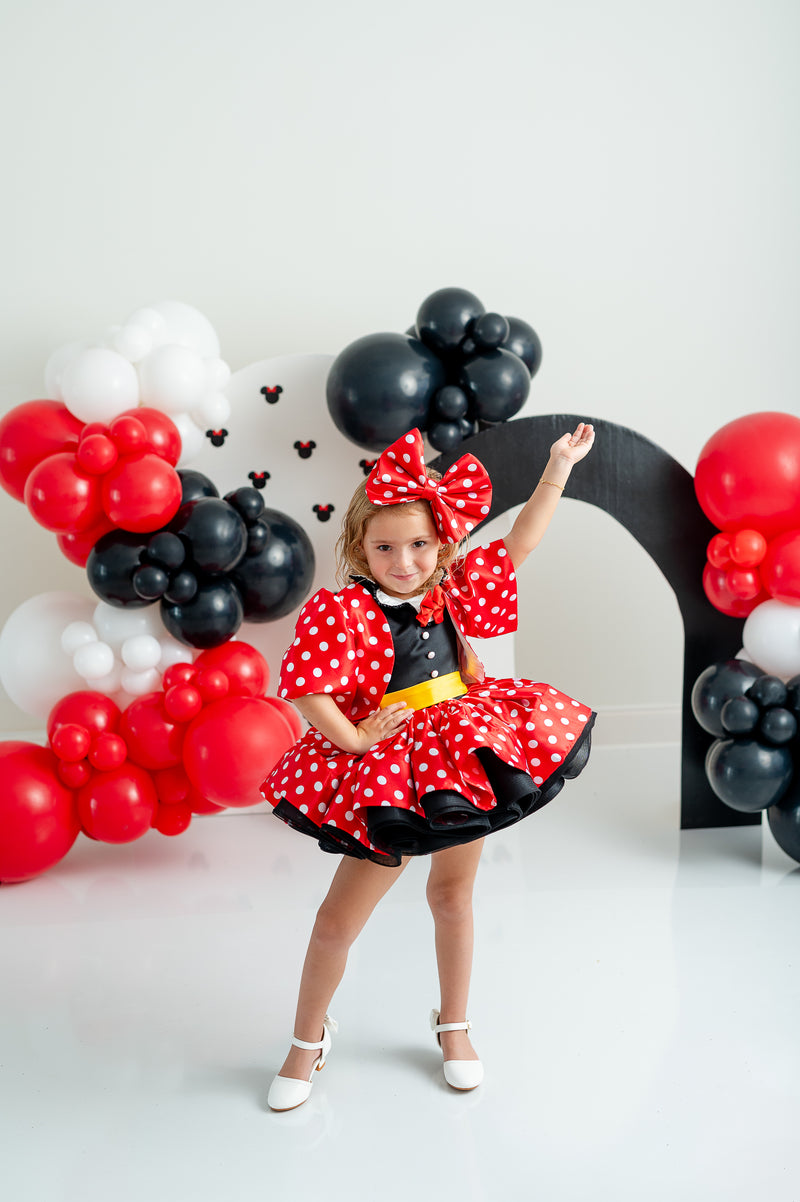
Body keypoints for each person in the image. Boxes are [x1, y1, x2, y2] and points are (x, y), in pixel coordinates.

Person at [262, 423, 595, 1110]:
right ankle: (306, 1038)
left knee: (453, 897)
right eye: (385, 547)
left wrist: (557, 468)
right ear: (359, 547)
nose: (404, 561)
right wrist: (353, 741)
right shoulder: (342, 609)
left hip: (456, 756)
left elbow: (522, 541)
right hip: (389, 766)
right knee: (336, 920)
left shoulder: (455, 588)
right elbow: (307, 686)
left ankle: (454, 1025)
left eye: (419, 545)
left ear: (442, 542)